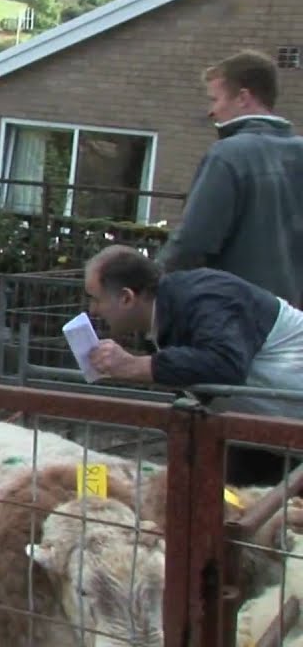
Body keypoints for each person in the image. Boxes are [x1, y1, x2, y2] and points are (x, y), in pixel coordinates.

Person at [84, 245, 303, 485]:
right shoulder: (164, 318)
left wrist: (135, 366)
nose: (92, 310)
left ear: (127, 298)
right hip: (267, 434)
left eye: (96, 299)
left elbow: (224, 364)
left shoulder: (207, 297)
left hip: (279, 426)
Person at [157, 49, 303, 307]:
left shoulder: (228, 155)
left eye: (215, 99)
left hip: (238, 318)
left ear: (243, 98)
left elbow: (192, 243)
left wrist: (149, 285)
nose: (211, 111)